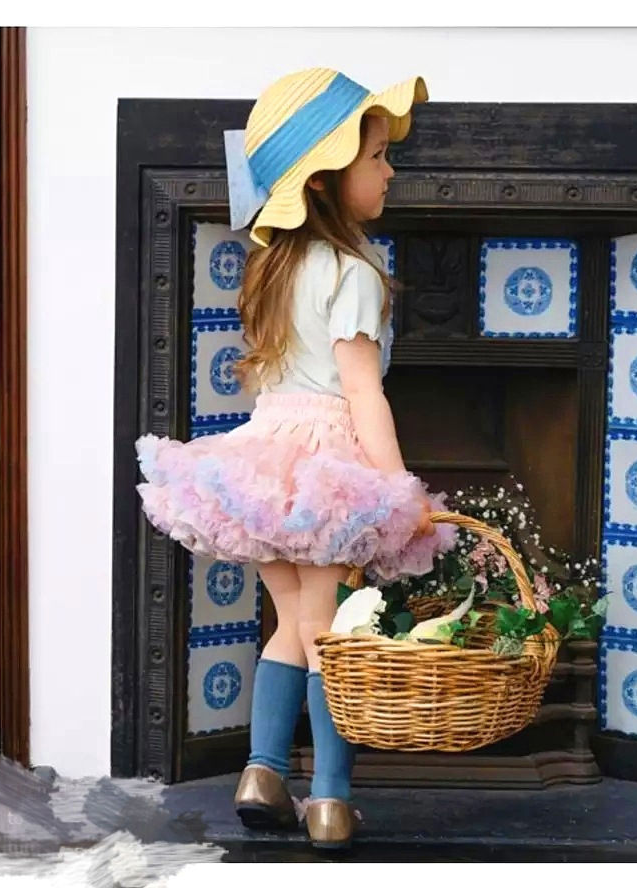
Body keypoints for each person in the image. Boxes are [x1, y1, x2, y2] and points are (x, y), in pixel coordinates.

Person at [134, 68, 458, 851]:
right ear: (322, 177)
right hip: (327, 468)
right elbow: (363, 393)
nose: (390, 171)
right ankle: (332, 800)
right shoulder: (353, 272)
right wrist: (400, 491)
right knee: (328, 637)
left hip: (263, 464)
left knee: (292, 623)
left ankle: (263, 771)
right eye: (376, 156)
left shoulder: (272, 268)